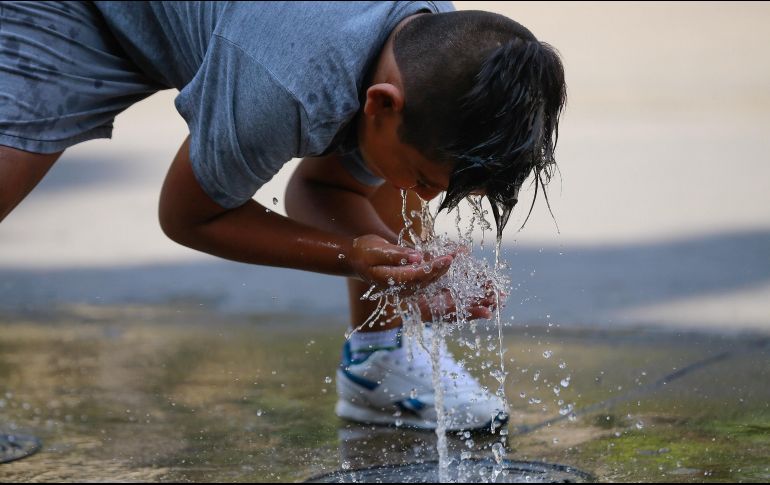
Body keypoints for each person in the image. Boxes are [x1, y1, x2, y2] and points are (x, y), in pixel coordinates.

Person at [0, 2, 565, 431]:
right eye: (424, 181)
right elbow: (188, 216)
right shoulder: (289, 84)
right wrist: (349, 254)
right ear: (380, 102)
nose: (423, 197)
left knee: (401, 165)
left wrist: (393, 266)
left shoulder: (441, 45)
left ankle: (381, 360)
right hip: (83, 14)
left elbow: (324, 185)